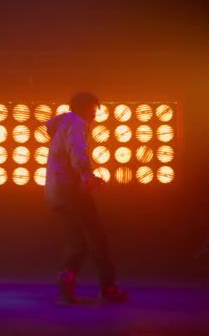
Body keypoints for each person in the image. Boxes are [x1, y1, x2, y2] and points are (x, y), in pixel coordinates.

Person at [45, 92, 127, 303]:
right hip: (72, 192)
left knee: (77, 241)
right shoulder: (76, 123)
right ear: (84, 108)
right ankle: (108, 288)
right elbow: (77, 150)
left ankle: (67, 277)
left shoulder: (63, 124)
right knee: (98, 239)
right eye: (93, 109)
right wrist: (86, 175)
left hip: (57, 193)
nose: (94, 114)